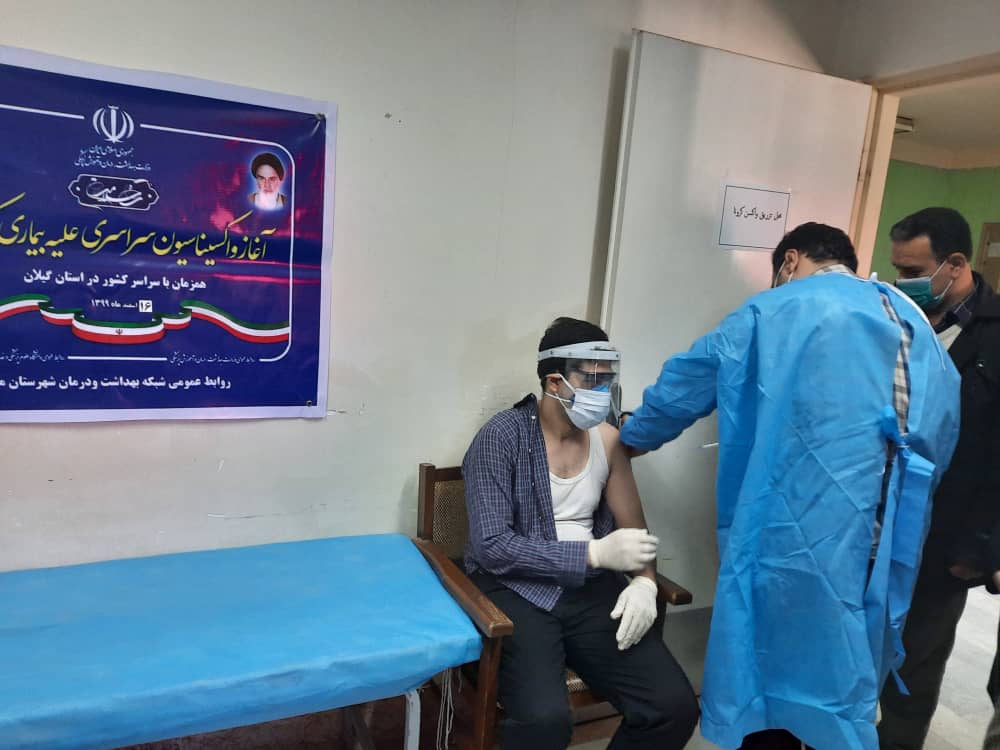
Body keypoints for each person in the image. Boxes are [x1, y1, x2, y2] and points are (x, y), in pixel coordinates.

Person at [619, 223, 961, 750]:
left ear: (791, 260)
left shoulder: (772, 310)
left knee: (771, 675)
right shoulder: (909, 316)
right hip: (887, 539)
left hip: (794, 535)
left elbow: (690, 379)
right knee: (846, 674)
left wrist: (632, 436)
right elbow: (941, 426)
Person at [463, 317, 699, 750]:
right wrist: (592, 555)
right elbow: (492, 547)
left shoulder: (607, 440)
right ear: (554, 382)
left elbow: (635, 531)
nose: (602, 392)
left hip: (590, 590)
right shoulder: (501, 437)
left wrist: (645, 583)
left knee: (673, 708)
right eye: (591, 381)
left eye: (606, 380)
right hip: (516, 589)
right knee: (543, 722)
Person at [877, 207, 1000, 749]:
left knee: (912, 669)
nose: (903, 281)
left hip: (946, 537)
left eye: (913, 271)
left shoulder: (995, 336)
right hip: (882, 525)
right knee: (858, 661)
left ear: (955, 264)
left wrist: (980, 548)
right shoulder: (897, 322)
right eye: (897, 269)